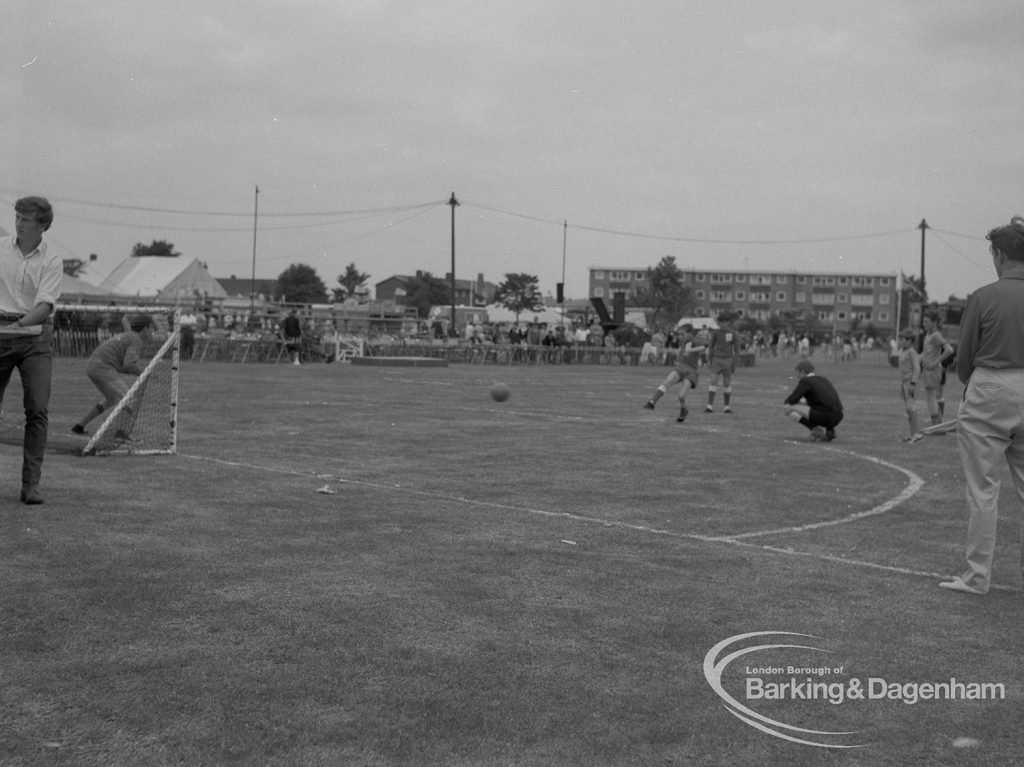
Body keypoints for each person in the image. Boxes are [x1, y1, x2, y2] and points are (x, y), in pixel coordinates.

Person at [939, 216, 1024, 595]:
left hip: (990, 385)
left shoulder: (984, 296)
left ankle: (977, 576)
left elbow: (964, 360)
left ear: (999, 254)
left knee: (983, 490)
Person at [0, 197, 62, 505]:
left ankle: (30, 486)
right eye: (18, 216)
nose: (19, 222)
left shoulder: (52, 259)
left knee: (37, 407)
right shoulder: (0, 249)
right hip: (1, 332)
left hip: (35, 338)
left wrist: (19, 326)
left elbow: (45, 305)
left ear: (43, 225)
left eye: (26, 218)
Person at [71, 314, 155, 440]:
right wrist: (144, 373)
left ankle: (79, 426)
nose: (152, 332)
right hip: (102, 367)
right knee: (129, 399)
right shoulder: (136, 340)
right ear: (144, 329)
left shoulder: (129, 336)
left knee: (111, 400)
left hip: (93, 365)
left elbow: (123, 365)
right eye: (151, 328)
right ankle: (120, 433)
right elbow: (128, 365)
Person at [642, 325, 706, 422]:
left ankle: (683, 410)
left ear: (690, 334)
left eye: (682, 334)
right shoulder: (683, 341)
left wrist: (691, 350)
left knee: (681, 396)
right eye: (679, 334)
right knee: (667, 382)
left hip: (691, 371)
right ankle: (651, 403)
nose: (679, 336)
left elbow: (704, 347)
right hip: (681, 367)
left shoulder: (695, 341)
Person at [782, 360, 843, 441]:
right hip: (838, 416)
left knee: (787, 407)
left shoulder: (805, 381)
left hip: (825, 416)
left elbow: (791, 401)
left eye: (798, 372)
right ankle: (830, 431)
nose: (798, 375)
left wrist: (796, 401)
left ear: (803, 371)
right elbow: (825, 400)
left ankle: (815, 430)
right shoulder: (823, 379)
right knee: (824, 407)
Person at [920, 311, 955, 425]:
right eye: (923, 321)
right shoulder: (928, 335)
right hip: (927, 370)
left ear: (934, 322)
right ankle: (937, 422)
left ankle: (936, 425)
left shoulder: (936, 335)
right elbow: (926, 353)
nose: (924, 324)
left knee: (931, 397)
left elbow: (949, 350)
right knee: (930, 397)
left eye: (927, 321)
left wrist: (935, 363)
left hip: (933, 370)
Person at [704, 319, 739, 413]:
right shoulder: (716, 333)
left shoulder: (733, 333)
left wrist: (734, 363)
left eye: (724, 322)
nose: (722, 324)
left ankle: (726, 407)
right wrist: (709, 360)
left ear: (728, 322)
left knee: (726, 383)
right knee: (713, 381)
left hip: (728, 360)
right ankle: (709, 406)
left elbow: (737, 349)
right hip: (716, 359)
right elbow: (711, 346)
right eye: (720, 322)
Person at [897, 329, 924, 443]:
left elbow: (917, 368)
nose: (901, 341)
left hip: (911, 382)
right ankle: (912, 434)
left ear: (910, 341)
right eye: (901, 339)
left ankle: (918, 435)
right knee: (908, 409)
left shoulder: (911, 352)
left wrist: (913, 383)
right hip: (905, 382)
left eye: (903, 339)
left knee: (911, 407)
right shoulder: (904, 351)